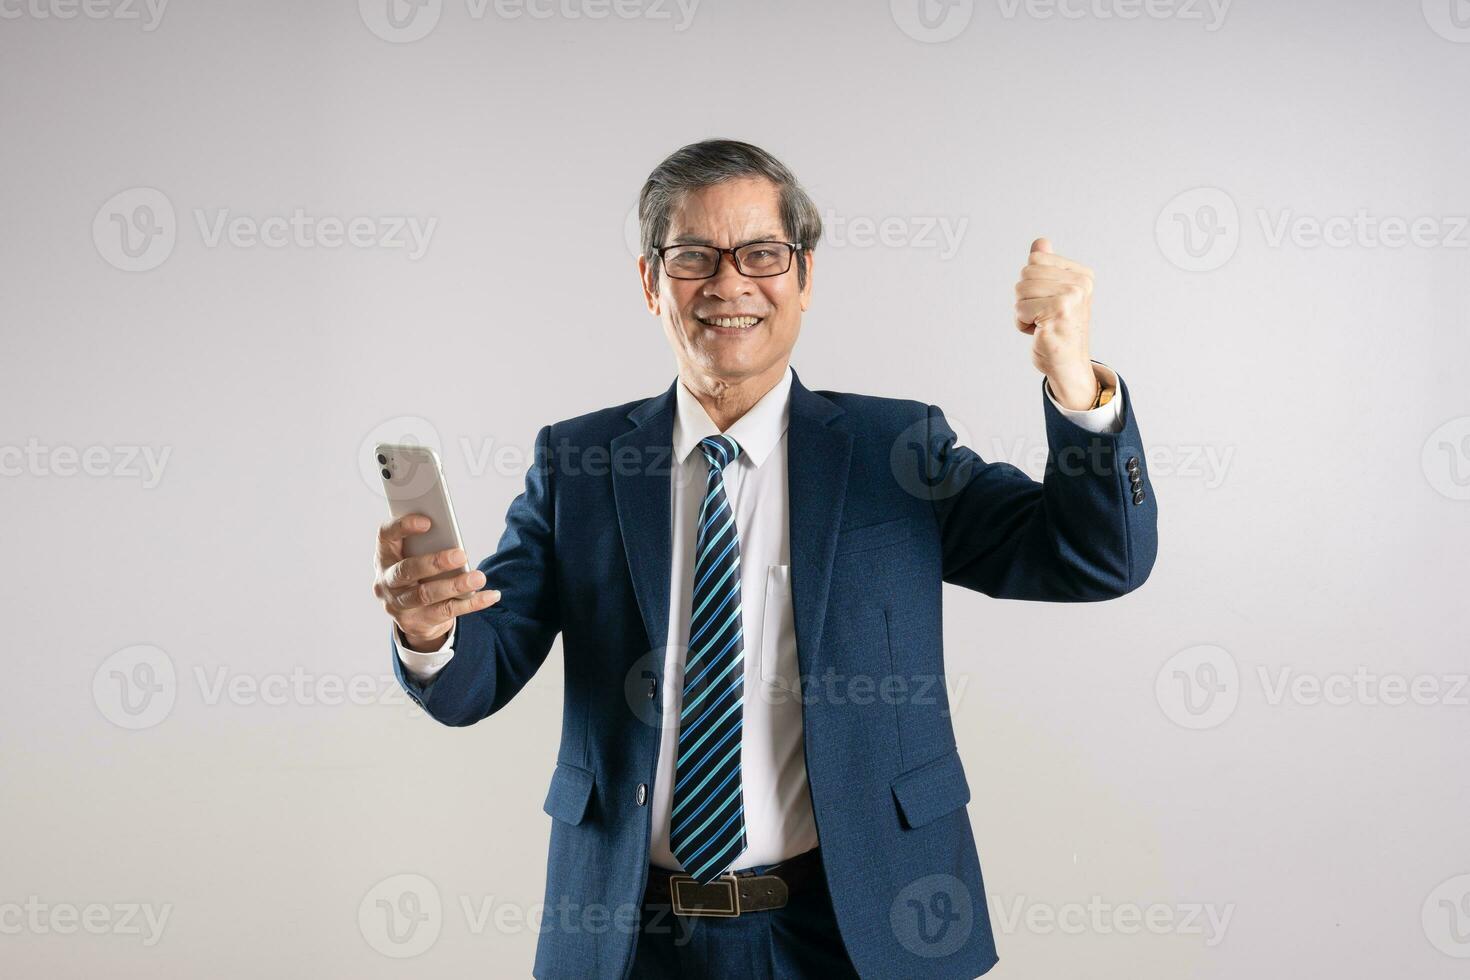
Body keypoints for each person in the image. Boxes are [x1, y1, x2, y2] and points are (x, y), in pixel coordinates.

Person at [371, 138, 1157, 979]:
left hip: (860, 927)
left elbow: (1096, 558)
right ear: (650, 282)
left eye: (761, 254)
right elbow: (473, 680)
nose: (728, 282)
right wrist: (428, 633)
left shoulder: (894, 447)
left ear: (805, 278)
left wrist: (1075, 380)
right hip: (630, 935)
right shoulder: (582, 464)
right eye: (692, 256)